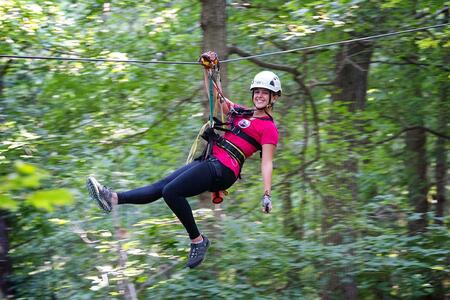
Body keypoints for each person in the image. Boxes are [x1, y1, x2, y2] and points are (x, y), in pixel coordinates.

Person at [86, 68, 281, 269]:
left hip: (224, 169)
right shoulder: (240, 113)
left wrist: (267, 194)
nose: (259, 96)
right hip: (211, 160)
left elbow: (266, 162)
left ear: (273, 97)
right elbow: (216, 96)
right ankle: (113, 198)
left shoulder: (269, 129)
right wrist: (209, 69)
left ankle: (198, 241)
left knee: (172, 192)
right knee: (164, 186)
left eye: (264, 92)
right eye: (257, 91)